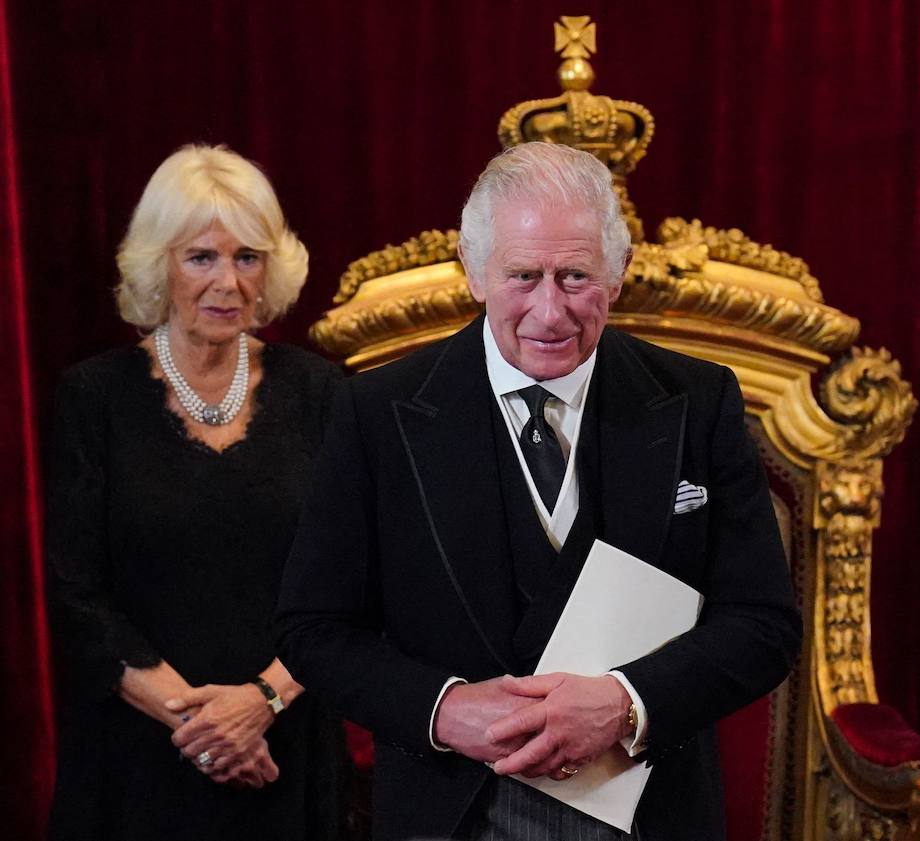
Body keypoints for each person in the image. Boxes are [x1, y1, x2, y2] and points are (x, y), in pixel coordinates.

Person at [275, 141, 801, 841]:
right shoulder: (376, 413)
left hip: (651, 813)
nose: (550, 313)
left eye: (575, 276)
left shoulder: (699, 401)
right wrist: (444, 709)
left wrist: (625, 703)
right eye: (523, 276)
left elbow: (764, 625)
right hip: (452, 813)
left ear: (619, 271)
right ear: (473, 271)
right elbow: (312, 629)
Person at [45, 144, 348, 840]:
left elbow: (352, 582)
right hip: (139, 755)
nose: (228, 283)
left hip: (287, 746)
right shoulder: (94, 397)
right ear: (161, 264)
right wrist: (206, 728)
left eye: (248, 257)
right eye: (201, 257)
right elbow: (75, 594)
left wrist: (262, 702)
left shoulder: (320, 392)